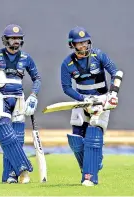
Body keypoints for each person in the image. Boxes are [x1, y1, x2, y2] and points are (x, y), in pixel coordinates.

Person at [61, 26, 121, 186]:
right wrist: (82, 99)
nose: (83, 46)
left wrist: (113, 94)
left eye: (85, 42)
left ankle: (90, 176)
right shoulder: (67, 63)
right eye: (79, 44)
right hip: (81, 101)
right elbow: (66, 87)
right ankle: (91, 163)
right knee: (76, 139)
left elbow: (116, 72)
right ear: (72, 45)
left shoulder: (98, 55)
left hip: (101, 99)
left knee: (94, 136)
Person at [0, 24, 41, 184]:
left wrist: (33, 95)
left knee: (18, 138)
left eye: (19, 38)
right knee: (6, 134)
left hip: (19, 98)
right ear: (5, 40)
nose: (16, 41)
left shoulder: (26, 58)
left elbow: (37, 79)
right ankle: (22, 167)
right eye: (13, 38)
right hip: (1, 97)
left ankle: (10, 175)